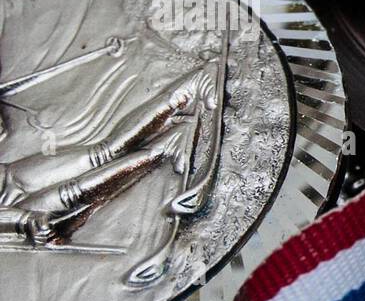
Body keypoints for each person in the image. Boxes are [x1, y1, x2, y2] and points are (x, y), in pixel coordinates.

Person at [0, 63, 217, 245]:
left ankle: (189, 87)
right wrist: (23, 221)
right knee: (76, 193)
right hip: (11, 209)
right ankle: (168, 144)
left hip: (8, 182)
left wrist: (23, 221)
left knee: (102, 154)